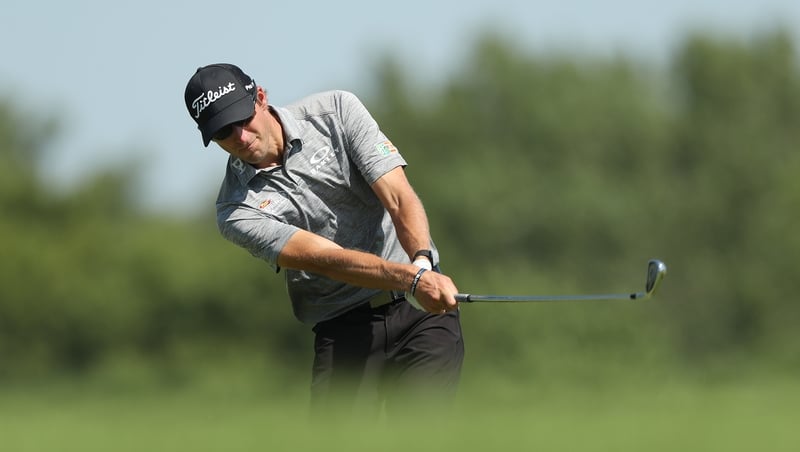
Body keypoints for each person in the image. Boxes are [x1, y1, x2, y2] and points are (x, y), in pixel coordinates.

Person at [183, 63, 464, 416]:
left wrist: (421, 264)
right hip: (343, 327)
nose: (240, 137)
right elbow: (324, 259)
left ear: (260, 98)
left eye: (242, 119)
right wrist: (412, 278)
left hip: (421, 314)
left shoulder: (336, 112)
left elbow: (397, 196)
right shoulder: (235, 210)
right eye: (224, 132)